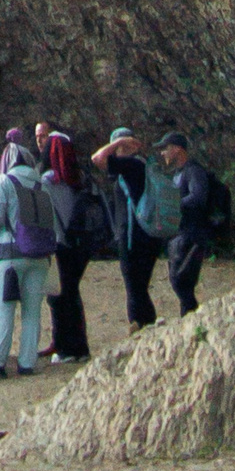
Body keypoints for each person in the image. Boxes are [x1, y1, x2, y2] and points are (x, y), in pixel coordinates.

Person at [0, 141, 55, 377]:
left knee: (5, 310)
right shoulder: (42, 184)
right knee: (32, 312)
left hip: (10, 254)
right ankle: (27, 362)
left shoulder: (4, 181)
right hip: (39, 255)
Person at [95, 127, 165, 328]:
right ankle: (150, 328)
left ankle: (139, 329)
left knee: (134, 289)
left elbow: (97, 158)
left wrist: (117, 143)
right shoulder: (144, 164)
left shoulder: (130, 165)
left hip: (133, 237)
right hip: (149, 234)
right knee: (140, 288)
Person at [41, 133, 94, 362]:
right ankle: (80, 347)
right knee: (73, 294)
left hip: (58, 244)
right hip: (80, 244)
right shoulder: (79, 178)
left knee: (59, 297)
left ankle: (65, 349)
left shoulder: (47, 181)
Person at [162, 132, 215, 315]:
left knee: (181, 282)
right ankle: (190, 320)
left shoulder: (193, 171)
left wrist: (174, 204)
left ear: (178, 149)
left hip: (192, 235)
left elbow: (198, 197)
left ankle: (193, 320)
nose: (163, 153)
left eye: (166, 148)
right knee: (178, 281)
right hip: (179, 235)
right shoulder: (177, 173)